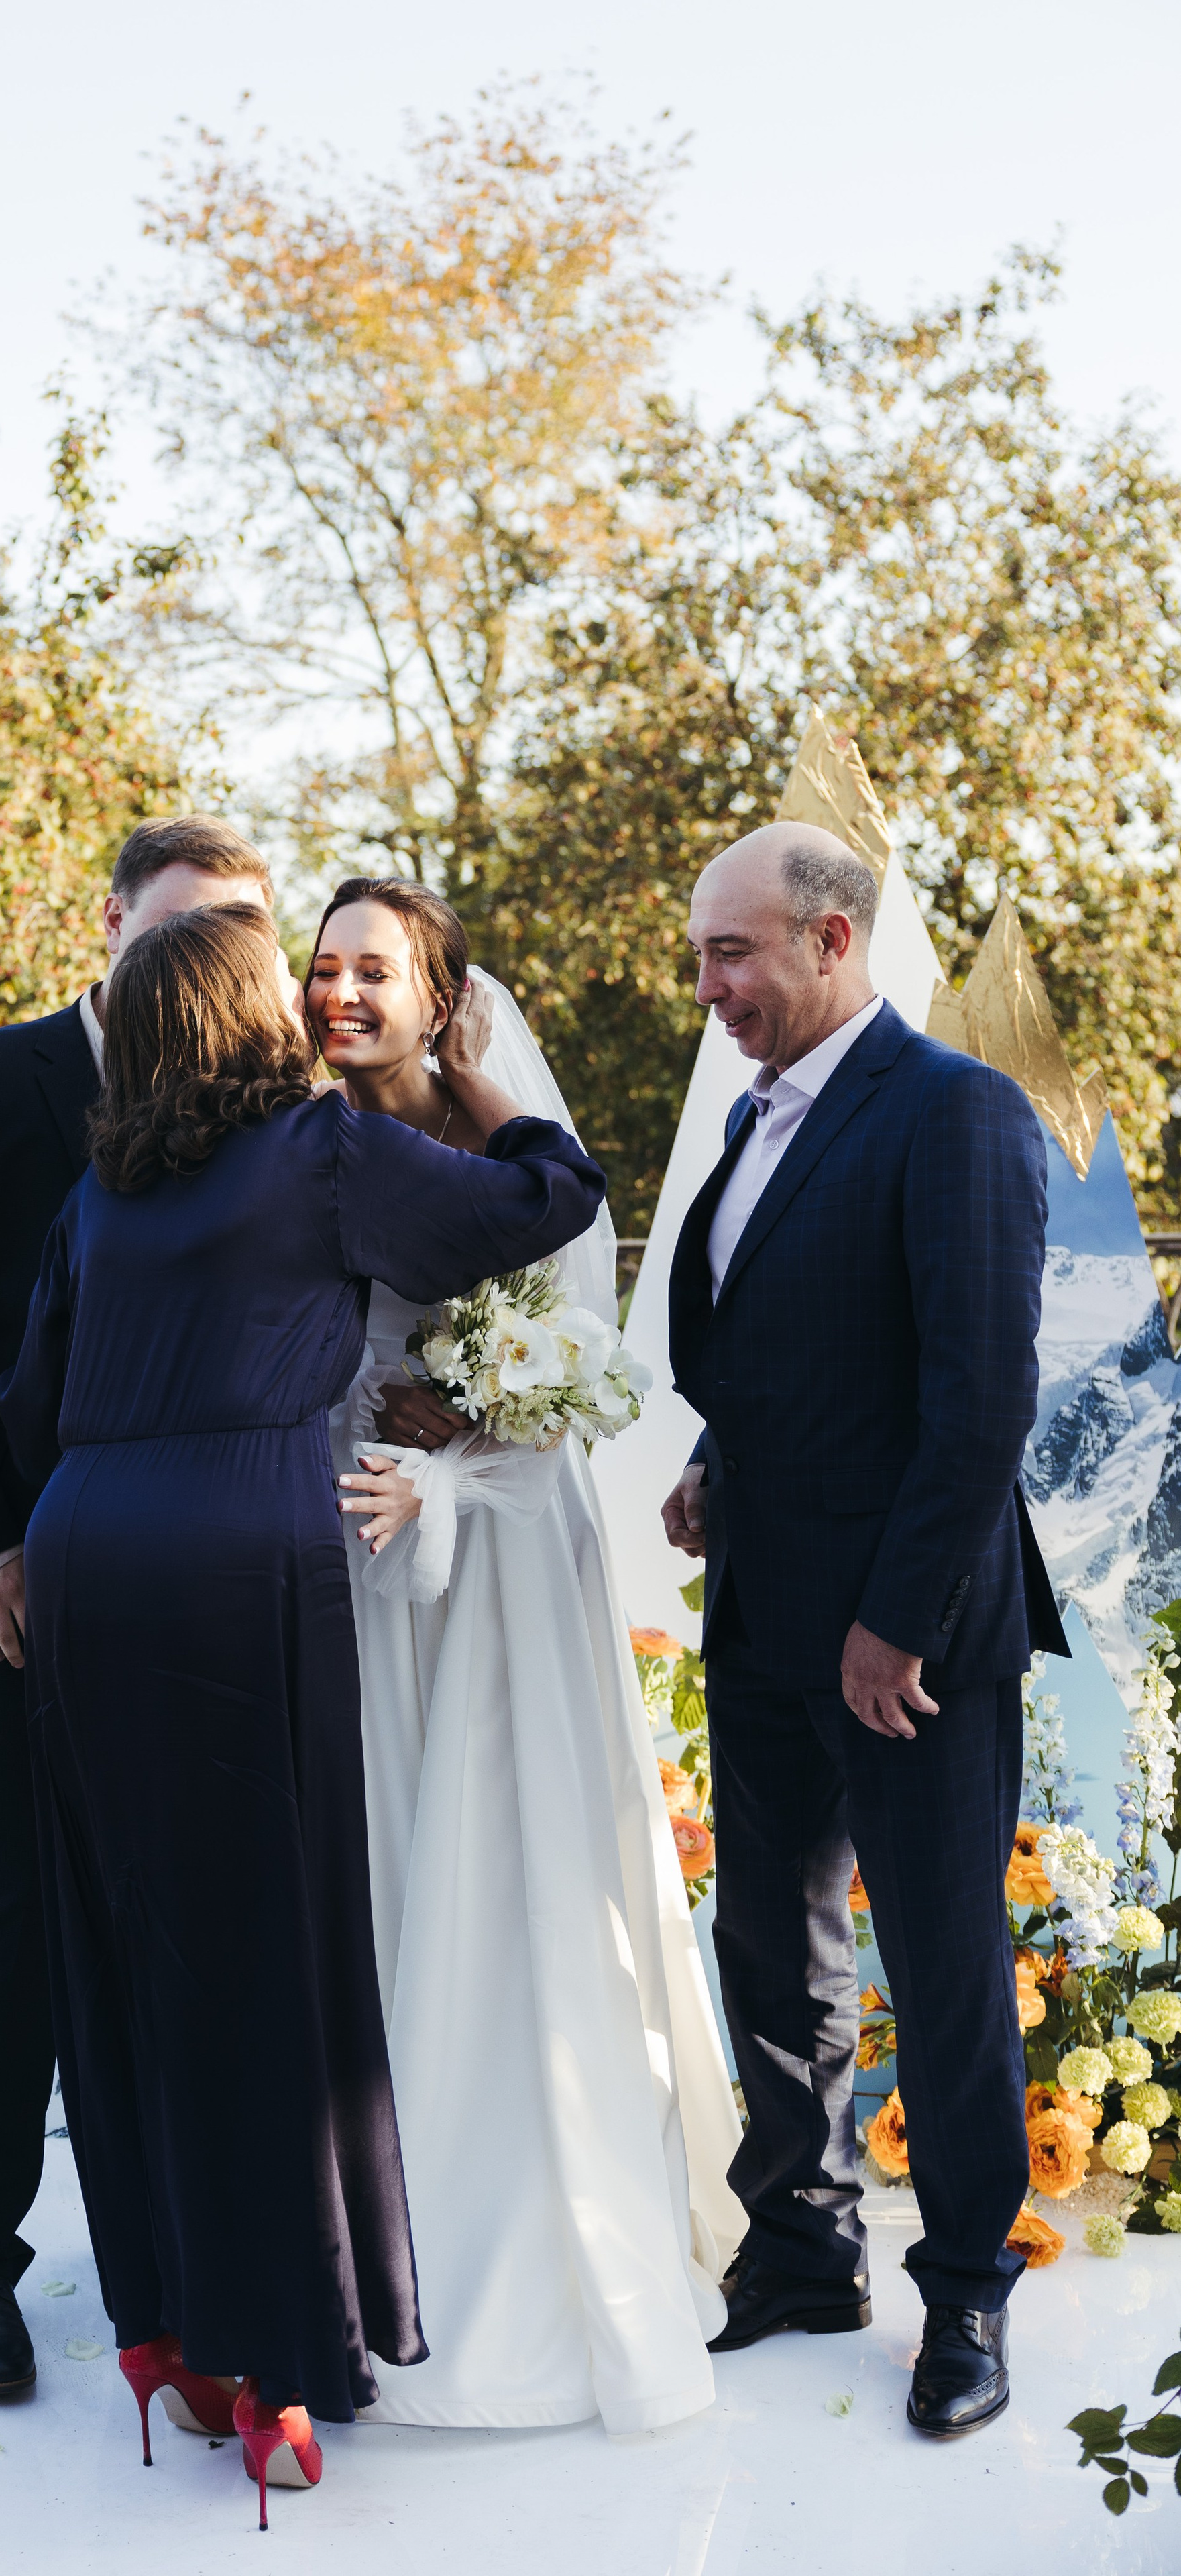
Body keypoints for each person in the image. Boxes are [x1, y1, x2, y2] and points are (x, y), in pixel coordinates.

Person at [0, 902, 606, 2523]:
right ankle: (278, 2366)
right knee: (260, 1965)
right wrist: (490, 1089)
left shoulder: (97, 1194)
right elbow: (549, 1202)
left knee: (123, 1954)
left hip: (85, 1559)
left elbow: (25, 1398)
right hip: (232, 1566)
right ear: (245, 1021)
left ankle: (167, 2338)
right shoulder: (316, 1156)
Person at [307, 877, 743, 2436]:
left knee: (517, 1868)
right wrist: (375, 1426)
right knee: (388, 1866)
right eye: (323, 967)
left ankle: (548, 2228)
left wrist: (482, 1420)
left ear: (439, 997)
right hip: (370, 1554)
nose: (340, 992)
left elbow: (576, 1354)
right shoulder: (297, 1146)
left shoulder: (516, 1149)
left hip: (504, 1553)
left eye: (375, 971)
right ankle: (372, 2233)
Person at [660, 821, 1068, 2439]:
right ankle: (800, 2251)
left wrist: (891, 1625)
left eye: (732, 953)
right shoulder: (763, 1117)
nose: (709, 989)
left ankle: (964, 2297)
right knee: (771, 1945)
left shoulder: (956, 1113)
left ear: (834, 941)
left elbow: (980, 1404)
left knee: (946, 1967)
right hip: (762, 1608)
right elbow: (794, 1338)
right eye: (701, 955)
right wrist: (712, 1461)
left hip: (910, 1638)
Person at [0, 815, 274, 2398]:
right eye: (177, 923)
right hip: (9, 1590)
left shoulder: (265, 1104)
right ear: (109, 924)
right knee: (11, 1910)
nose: (203, 954)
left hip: (199, 1590)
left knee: (180, 1913)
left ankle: (168, 2264)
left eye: (234, 927)